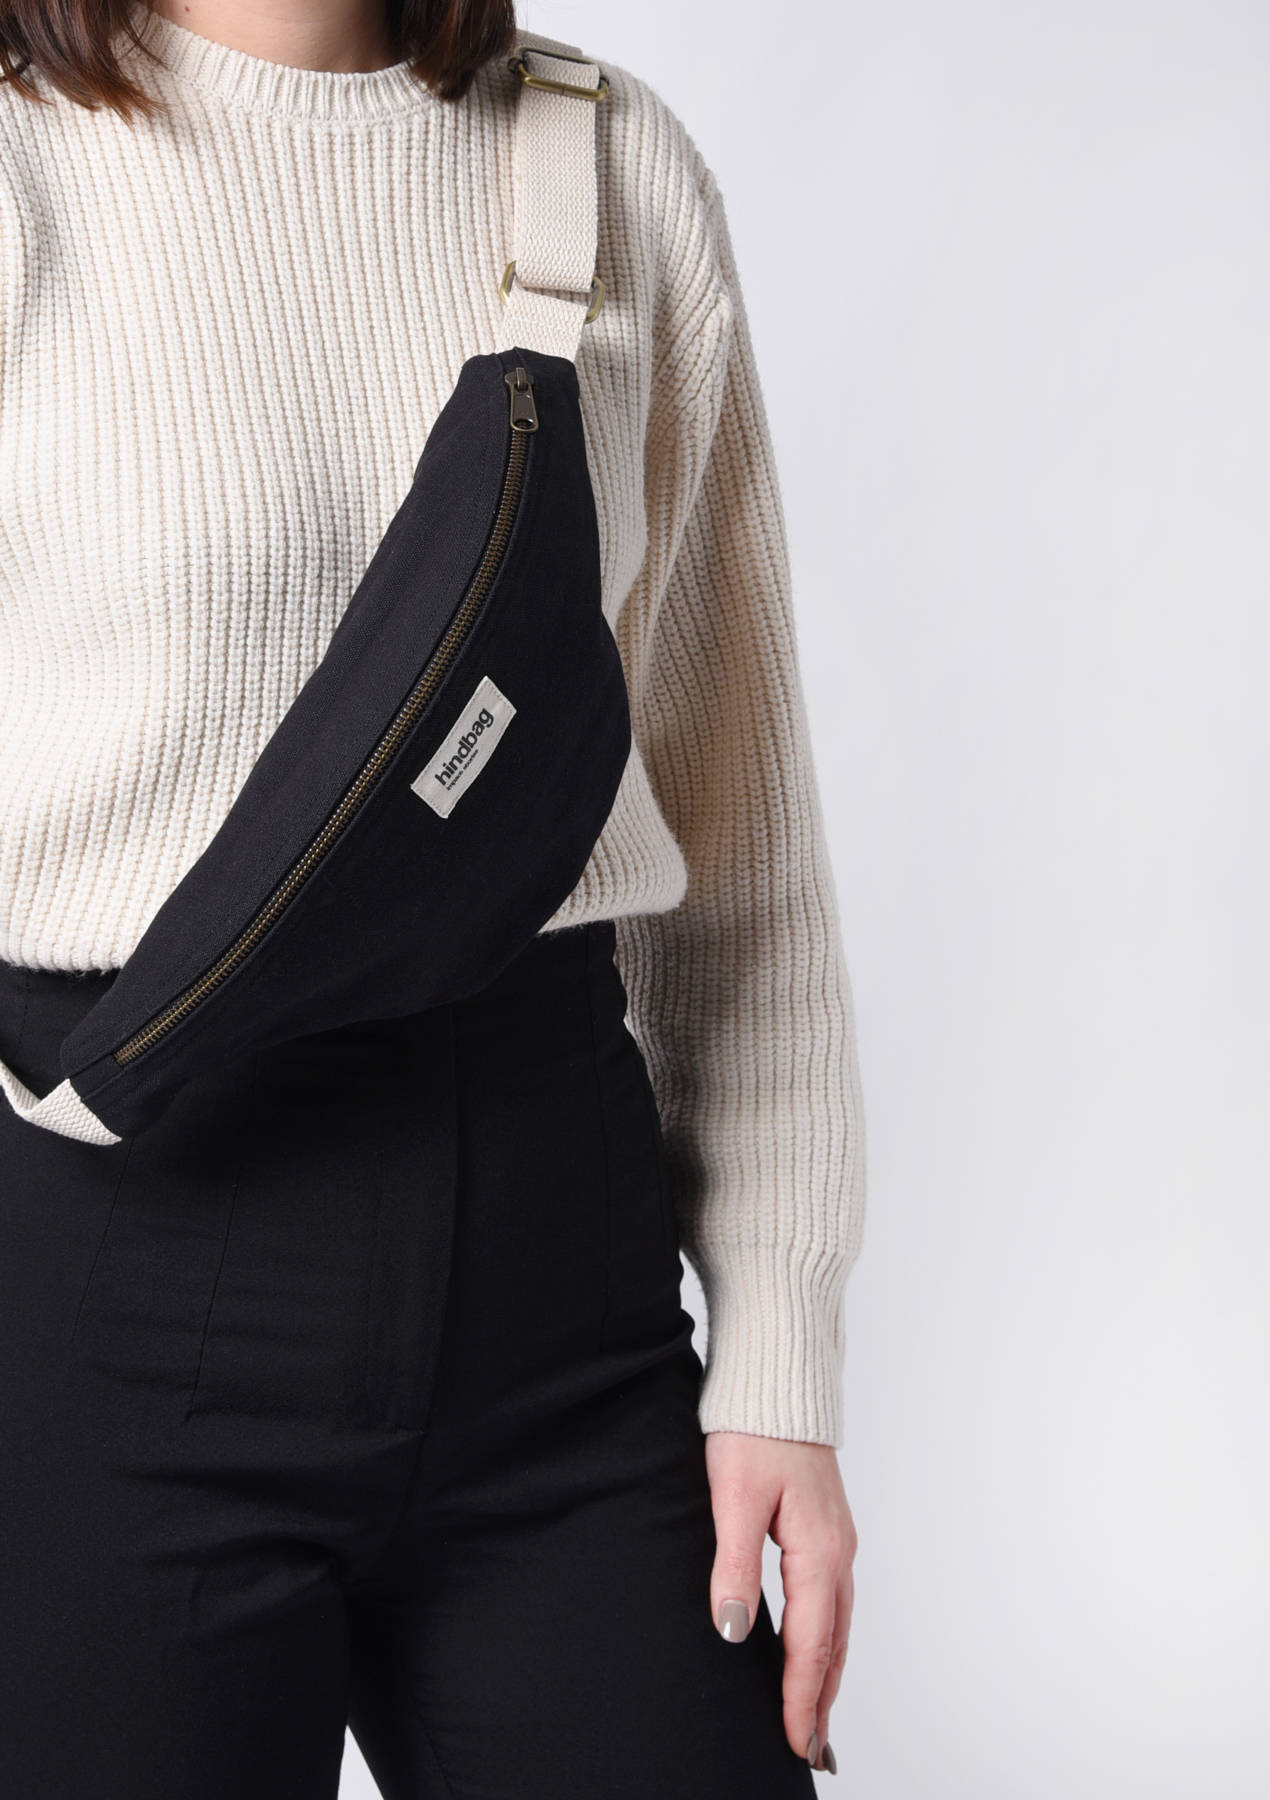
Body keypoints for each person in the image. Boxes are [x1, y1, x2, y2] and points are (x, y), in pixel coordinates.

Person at [0, 1, 867, 1794]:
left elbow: (738, 830)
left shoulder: (604, 162)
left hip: (562, 1287)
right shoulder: (22, 167)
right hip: (106, 1247)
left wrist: (776, 1348)